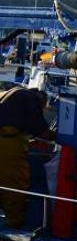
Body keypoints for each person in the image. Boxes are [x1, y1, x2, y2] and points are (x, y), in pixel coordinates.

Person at [0, 86, 55, 228]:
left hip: (7, 140)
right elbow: (41, 132)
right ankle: (14, 226)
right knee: (14, 185)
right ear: (41, 102)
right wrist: (62, 136)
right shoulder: (31, 100)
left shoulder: (15, 92)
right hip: (7, 145)